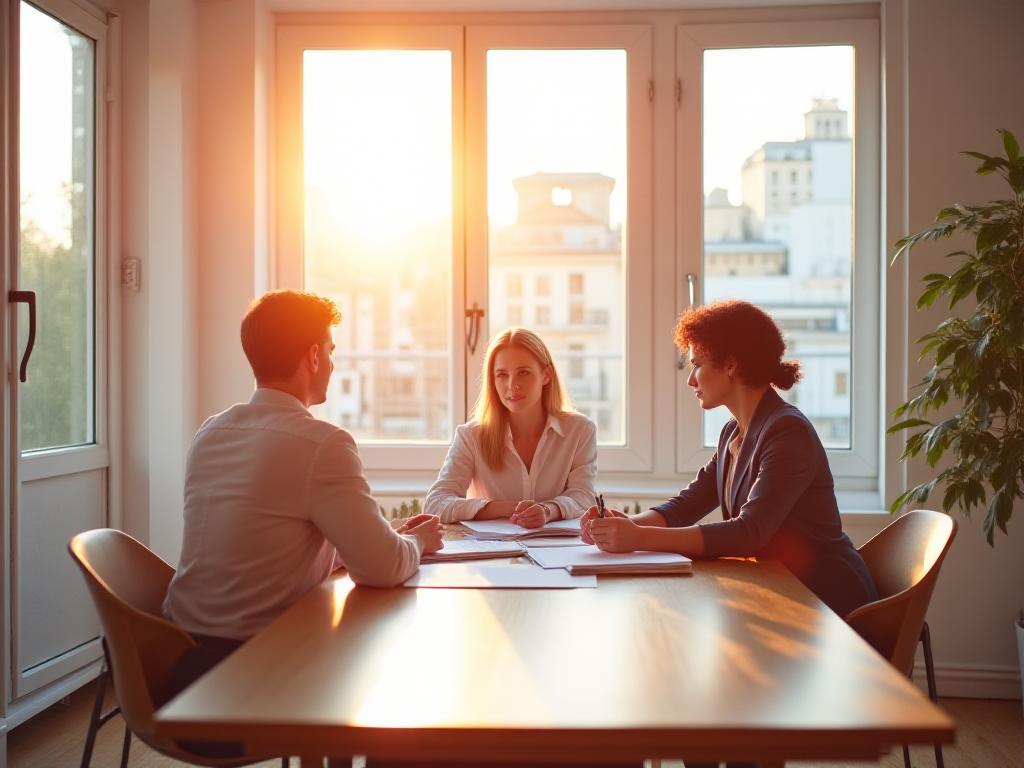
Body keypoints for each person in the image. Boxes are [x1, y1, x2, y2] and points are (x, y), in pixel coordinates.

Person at [163, 289, 443, 706]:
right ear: (313, 356)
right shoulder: (321, 444)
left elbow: (267, 539)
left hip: (172, 661)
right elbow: (383, 569)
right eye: (330, 351)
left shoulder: (211, 432)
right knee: (403, 673)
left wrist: (378, 536)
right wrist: (420, 542)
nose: (332, 363)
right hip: (256, 671)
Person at [582, 300, 877, 621]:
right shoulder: (732, 434)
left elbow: (749, 532)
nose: (690, 380)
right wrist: (617, 527)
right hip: (779, 590)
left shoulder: (787, 432)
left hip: (826, 599)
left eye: (697, 364)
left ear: (731, 366)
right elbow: (687, 506)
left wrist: (638, 538)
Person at [424, 327, 597, 528]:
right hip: (491, 553)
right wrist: (507, 508)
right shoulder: (471, 436)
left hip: (556, 551)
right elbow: (435, 504)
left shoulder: (580, 430)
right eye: (502, 375)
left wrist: (548, 511)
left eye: (523, 373)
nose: (512, 385)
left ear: (546, 375)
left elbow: (584, 496)